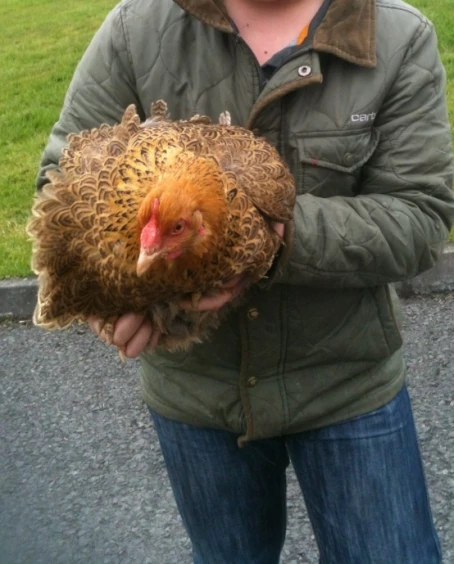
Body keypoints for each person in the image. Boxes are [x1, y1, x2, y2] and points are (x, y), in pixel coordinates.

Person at [37, 0, 454, 561]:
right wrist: (115, 295)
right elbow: (63, 182)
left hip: (345, 383)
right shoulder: (139, 29)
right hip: (198, 394)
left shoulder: (395, 34)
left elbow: (420, 217)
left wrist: (268, 236)